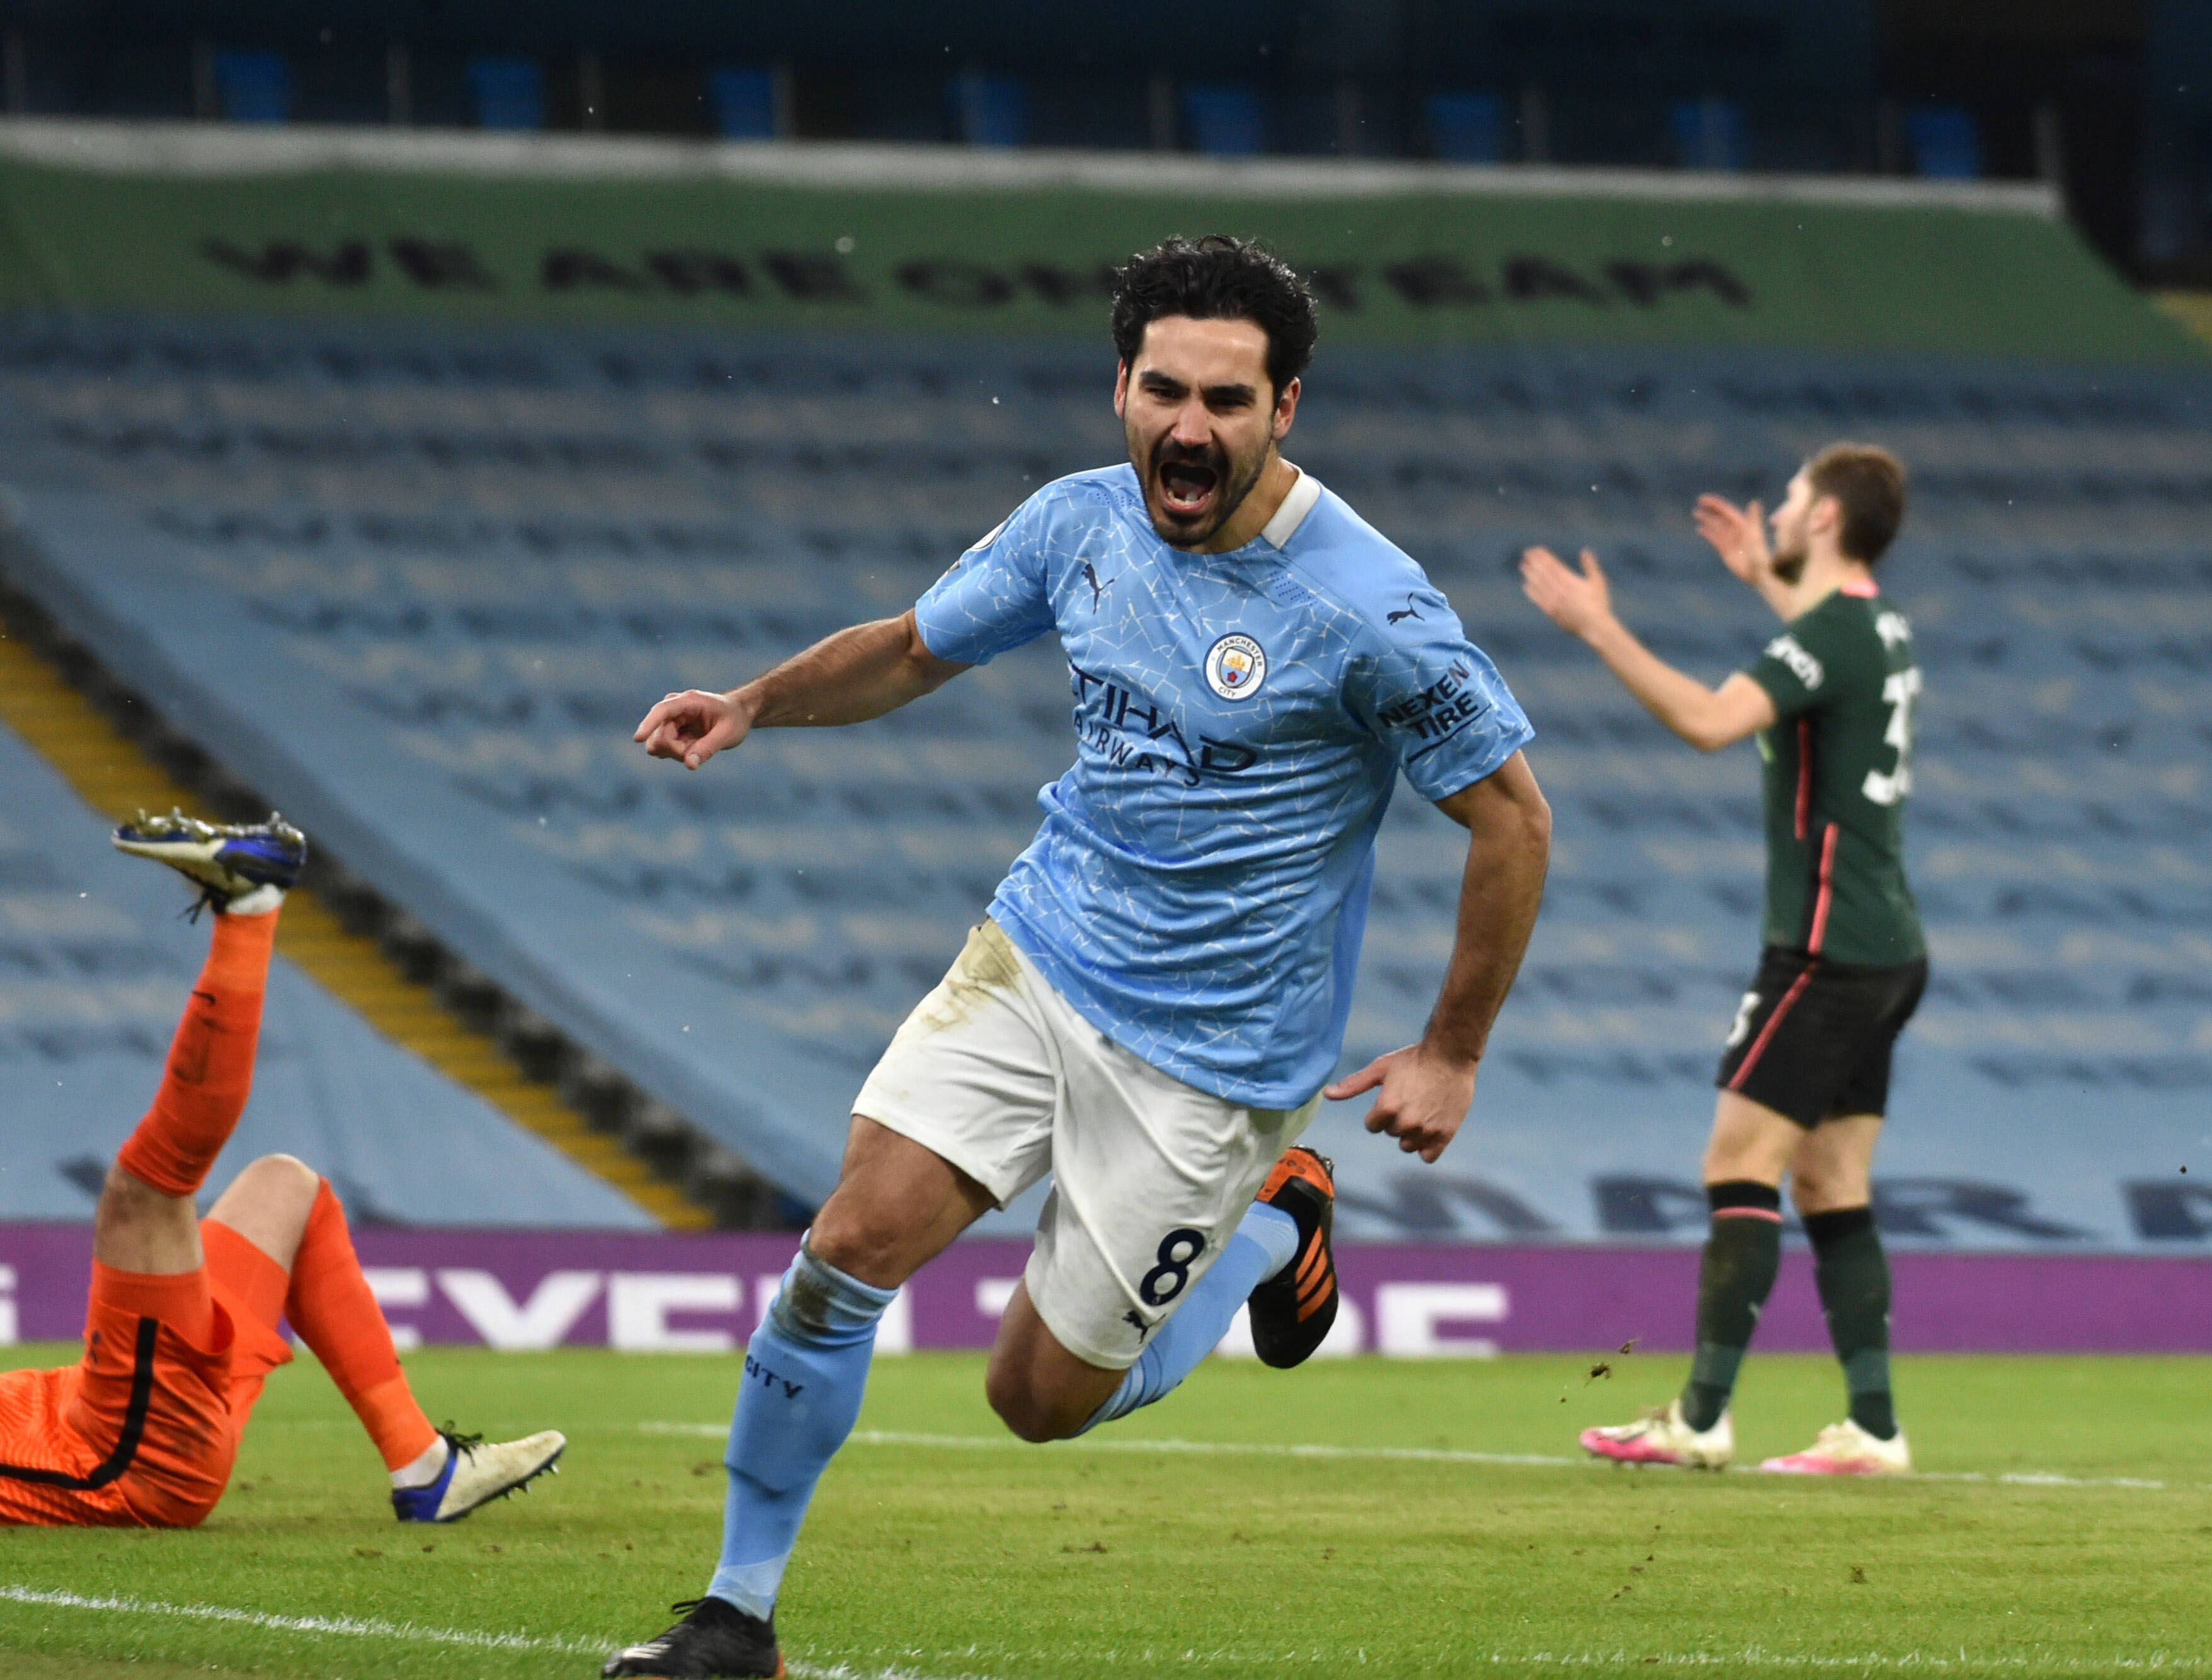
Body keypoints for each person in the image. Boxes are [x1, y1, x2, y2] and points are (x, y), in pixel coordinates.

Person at [608, 236, 1551, 1678]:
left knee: (1033, 1400)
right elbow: (915, 649)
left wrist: (1451, 1050)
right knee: (846, 1244)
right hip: (1038, 956)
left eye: (1227, 402)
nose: (1189, 427)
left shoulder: (1366, 605)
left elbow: (1511, 819)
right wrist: (753, 704)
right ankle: (735, 1616)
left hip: (1214, 1064)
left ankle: (1271, 1229)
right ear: (1118, 386)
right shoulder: (1078, 525)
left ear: (1282, 410)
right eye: (1162, 390)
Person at [1521, 445, 1925, 1477]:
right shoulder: (1875, 626)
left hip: (1824, 950)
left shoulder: (1831, 633)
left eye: (1791, 499)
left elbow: (1708, 720)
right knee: (1831, 1181)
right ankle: (1872, 1428)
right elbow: (1816, 643)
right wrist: (1759, 574)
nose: (1777, 511)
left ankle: (1698, 1415)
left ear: (1826, 516)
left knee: (1734, 1166)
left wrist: (1596, 626)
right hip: (1884, 948)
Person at [1, 814, 564, 1529]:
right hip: (125, 1457)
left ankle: (424, 1464)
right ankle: (250, 910)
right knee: (144, 1194)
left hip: (112, 1407)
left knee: (285, 1185)